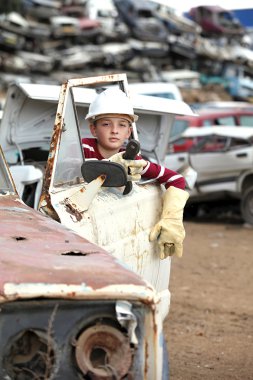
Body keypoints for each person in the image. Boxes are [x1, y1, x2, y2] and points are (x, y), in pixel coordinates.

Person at [82, 87, 189, 259]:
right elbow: (72, 171)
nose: (114, 130)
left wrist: (172, 219)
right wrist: (110, 165)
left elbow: (176, 179)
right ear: (93, 129)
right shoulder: (82, 149)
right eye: (106, 123)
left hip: (116, 226)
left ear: (128, 132)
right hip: (83, 223)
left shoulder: (133, 161)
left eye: (122, 124)